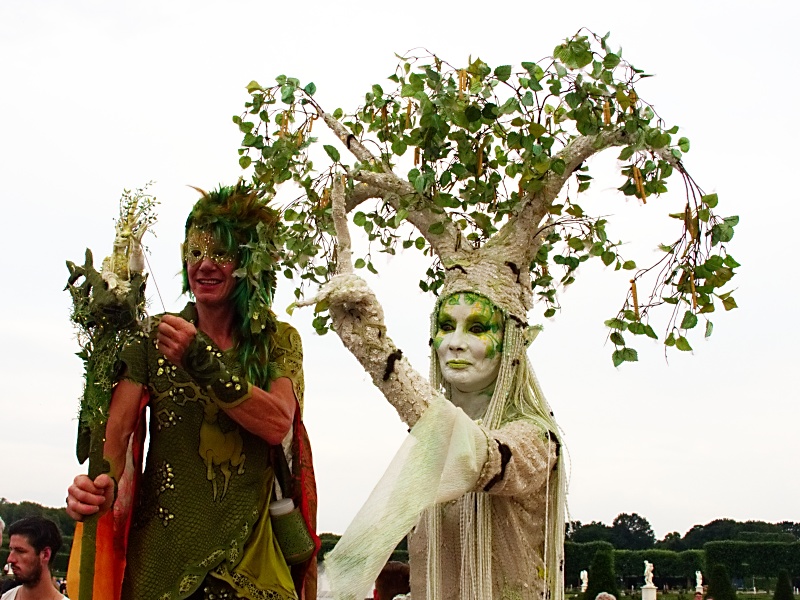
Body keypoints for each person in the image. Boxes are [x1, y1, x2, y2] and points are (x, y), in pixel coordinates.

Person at [66, 183, 318, 600]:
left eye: (220, 253)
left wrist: (199, 361)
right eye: (195, 253)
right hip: (161, 563)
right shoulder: (149, 339)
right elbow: (115, 444)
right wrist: (98, 489)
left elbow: (277, 423)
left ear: (250, 263)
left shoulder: (277, 339)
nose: (204, 264)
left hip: (252, 561)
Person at [318, 258, 566, 600]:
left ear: (512, 341)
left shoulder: (536, 438)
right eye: (446, 327)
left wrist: (376, 349)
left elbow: (477, 455)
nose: (454, 343)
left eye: (478, 328)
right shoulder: (426, 448)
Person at [2, 516, 67, 599]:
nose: (10, 559)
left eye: (20, 551)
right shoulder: (6, 597)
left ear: (45, 554)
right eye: (11, 550)